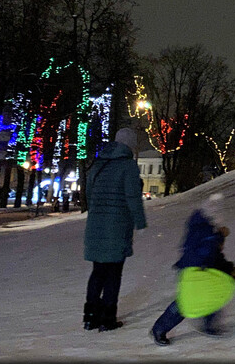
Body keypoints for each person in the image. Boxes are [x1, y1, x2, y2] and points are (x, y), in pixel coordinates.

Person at [150, 193, 235, 345]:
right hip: (192, 272)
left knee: (213, 292)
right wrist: (220, 240)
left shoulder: (204, 230)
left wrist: (225, 265)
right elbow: (207, 253)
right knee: (184, 303)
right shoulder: (205, 233)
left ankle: (208, 325)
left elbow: (213, 254)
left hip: (201, 270)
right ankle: (159, 329)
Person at [83, 127, 147, 332]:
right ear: (130, 146)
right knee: (113, 274)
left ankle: (90, 317)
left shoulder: (98, 164)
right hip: (117, 227)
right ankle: (107, 318)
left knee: (97, 272)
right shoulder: (128, 166)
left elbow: (88, 194)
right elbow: (132, 197)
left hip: (95, 226)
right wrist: (140, 222)